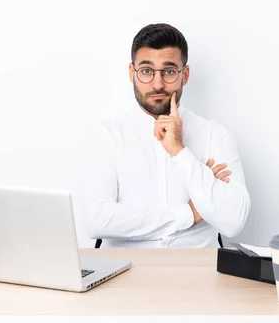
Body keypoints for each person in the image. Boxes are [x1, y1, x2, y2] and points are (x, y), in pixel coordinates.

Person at [80, 23, 251, 248]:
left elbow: (233, 222)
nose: (158, 83)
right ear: (132, 73)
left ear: (185, 75)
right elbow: (97, 220)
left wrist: (179, 151)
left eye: (169, 71)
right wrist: (187, 214)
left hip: (201, 273)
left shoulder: (214, 135)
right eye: (147, 71)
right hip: (126, 273)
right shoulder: (108, 134)